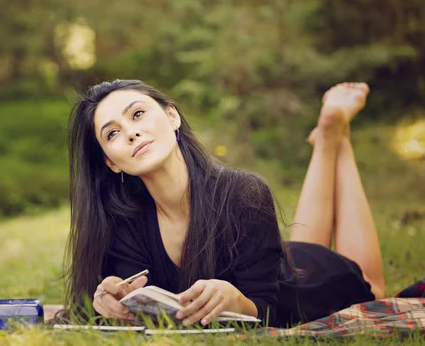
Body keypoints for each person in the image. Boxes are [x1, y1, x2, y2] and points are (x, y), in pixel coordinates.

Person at [63, 79, 386, 328]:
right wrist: (108, 299)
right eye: (112, 133)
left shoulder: (242, 193)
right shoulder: (125, 223)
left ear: (172, 116)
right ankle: (329, 140)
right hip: (277, 259)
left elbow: (267, 305)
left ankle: (335, 139)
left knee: (373, 285)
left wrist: (238, 301)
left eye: (137, 114)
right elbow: (134, 305)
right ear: (111, 163)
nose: (131, 132)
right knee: (295, 248)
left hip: (308, 286)